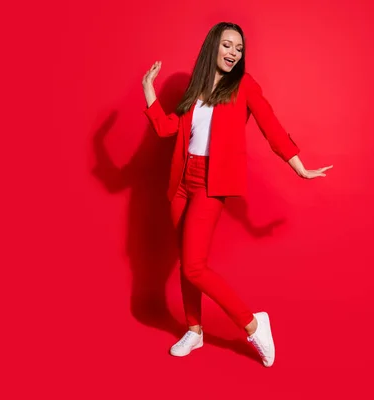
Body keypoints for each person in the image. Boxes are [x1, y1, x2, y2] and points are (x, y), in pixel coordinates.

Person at [141, 22, 332, 367]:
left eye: (239, 49)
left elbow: (269, 124)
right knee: (187, 265)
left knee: (196, 267)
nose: (234, 53)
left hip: (212, 183)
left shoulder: (243, 85)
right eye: (228, 45)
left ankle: (254, 324)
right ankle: (194, 330)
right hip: (182, 181)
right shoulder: (196, 87)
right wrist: (149, 90)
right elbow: (167, 127)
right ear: (213, 46)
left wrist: (298, 166)